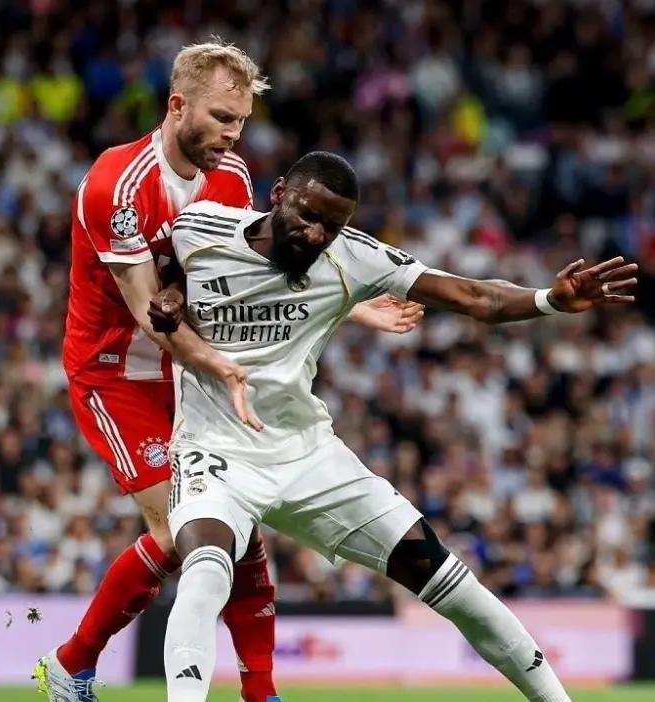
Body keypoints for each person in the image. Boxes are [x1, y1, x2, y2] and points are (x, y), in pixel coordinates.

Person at [160, 151, 638, 702]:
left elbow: (474, 296)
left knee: (447, 578)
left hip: (306, 455)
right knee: (204, 572)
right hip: (214, 451)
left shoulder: (353, 256)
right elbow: (161, 268)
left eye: (331, 225)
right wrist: (171, 293)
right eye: (308, 215)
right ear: (279, 193)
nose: (316, 235)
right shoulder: (200, 227)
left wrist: (548, 300)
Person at [34, 42, 423, 702]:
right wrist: (222, 366)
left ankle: (260, 692)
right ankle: (70, 665)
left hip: (186, 368)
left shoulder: (233, 176)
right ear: (176, 105)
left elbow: (253, 275)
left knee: (233, 521)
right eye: (220, 117)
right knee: (175, 534)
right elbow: (149, 313)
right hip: (116, 372)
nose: (232, 134)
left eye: (240, 121)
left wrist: (354, 307)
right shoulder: (116, 187)